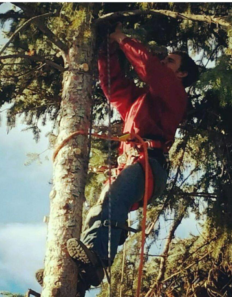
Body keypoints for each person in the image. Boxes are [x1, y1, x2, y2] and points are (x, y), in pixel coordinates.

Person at [67, 25, 199, 292]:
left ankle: (96, 256)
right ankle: (77, 275)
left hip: (148, 163)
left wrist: (121, 37)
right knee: (101, 207)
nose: (164, 62)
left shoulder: (174, 91)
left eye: (170, 61)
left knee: (112, 200)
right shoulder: (142, 100)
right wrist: (109, 52)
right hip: (134, 163)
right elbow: (114, 88)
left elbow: (152, 69)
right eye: (165, 60)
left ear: (182, 73)